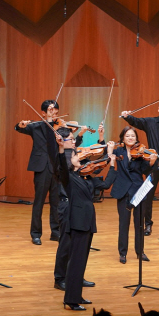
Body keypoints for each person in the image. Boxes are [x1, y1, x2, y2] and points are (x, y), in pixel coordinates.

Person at [55, 130, 117, 310]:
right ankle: (71, 300)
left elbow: (105, 185)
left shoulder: (87, 178)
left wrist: (112, 163)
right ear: (72, 163)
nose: (77, 156)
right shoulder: (69, 178)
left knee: (81, 261)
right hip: (77, 223)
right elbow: (61, 165)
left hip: (88, 223)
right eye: (74, 156)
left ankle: (77, 296)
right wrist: (61, 148)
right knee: (75, 261)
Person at [121, 98, 159, 237]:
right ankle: (148, 224)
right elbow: (136, 121)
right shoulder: (149, 122)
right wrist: (127, 116)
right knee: (148, 195)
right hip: (152, 163)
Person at [53, 124, 104, 291]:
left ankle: (76, 275)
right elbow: (68, 168)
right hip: (66, 205)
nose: (75, 142)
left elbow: (93, 164)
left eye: (75, 139)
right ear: (61, 140)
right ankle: (60, 278)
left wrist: (103, 143)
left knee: (80, 245)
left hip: (79, 206)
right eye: (72, 139)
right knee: (66, 244)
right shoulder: (62, 157)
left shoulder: (76, 154)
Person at [110, 126, 159, 264]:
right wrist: (102, 138)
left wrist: (151, 162)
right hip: (123, 191)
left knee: (139, 224)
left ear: (136, 138)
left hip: (138, 190)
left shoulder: (141, 152)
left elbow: (145, 170)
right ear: (123, 138)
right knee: (123, 224)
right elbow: (105, 154)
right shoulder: (118, 151)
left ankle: (140, 251)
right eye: (127, 136)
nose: (130, 138)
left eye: (133, 136)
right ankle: (123, 253)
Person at [15, 100, 60, 245]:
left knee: (56, 202)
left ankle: (56, 232)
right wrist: (19, 125)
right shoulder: (35, 126)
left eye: (56, 112)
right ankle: (35, 233)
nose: (54, 114)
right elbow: (19, 128)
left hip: (56, 168)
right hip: (41, 167)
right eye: (51, 111)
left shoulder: (59, 126)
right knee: (39, 202)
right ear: (43, 112)